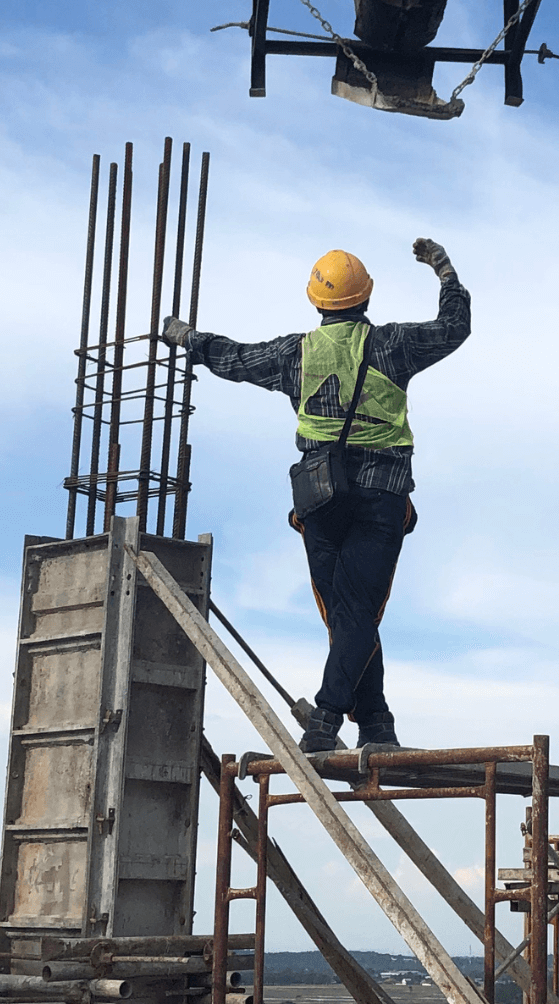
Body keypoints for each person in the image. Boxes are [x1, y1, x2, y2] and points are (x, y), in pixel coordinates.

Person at [162, 239, 469, 753]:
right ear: (366, 298)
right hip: (382, 495)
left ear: (317, 302)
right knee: (356, 611)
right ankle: (366, 722)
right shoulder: (394, 346)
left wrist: (186, 338)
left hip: (320, 499)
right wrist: (445, 274)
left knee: (348, 611)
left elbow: (234, 358)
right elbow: (453, 328)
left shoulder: (295, 354)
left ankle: (342, 720)